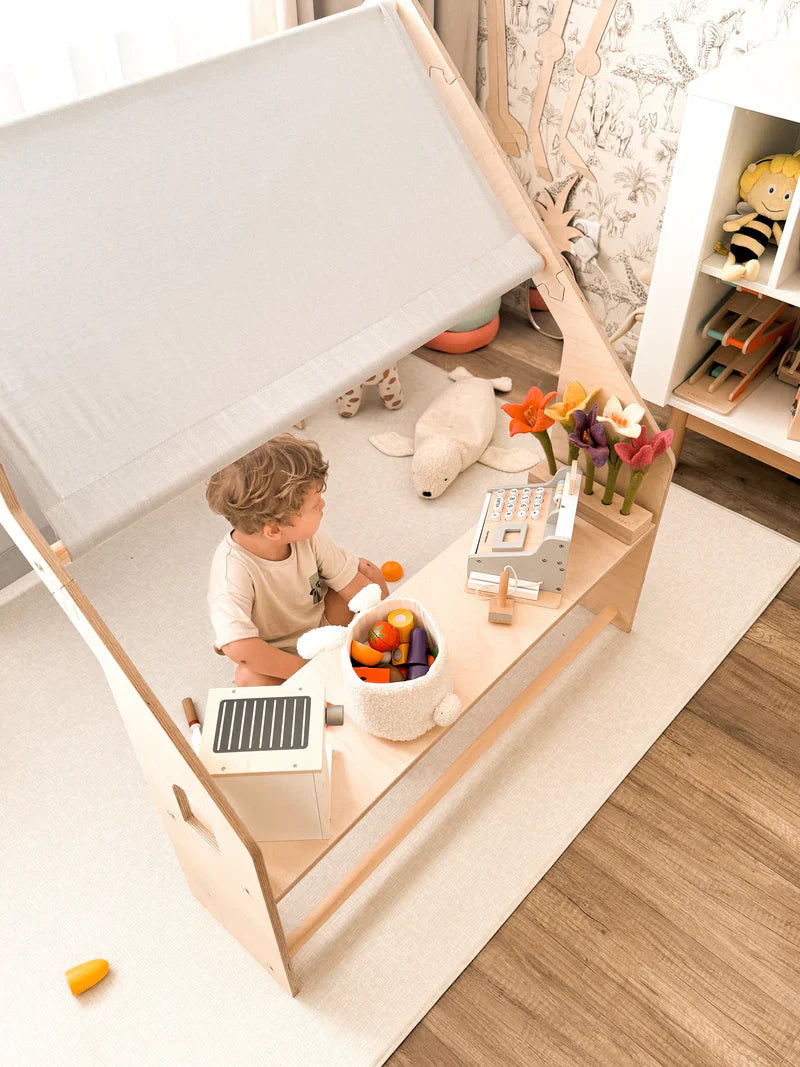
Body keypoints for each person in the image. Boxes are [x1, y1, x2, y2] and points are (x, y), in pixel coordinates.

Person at [206, 433, 388, 687]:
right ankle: (321, 676)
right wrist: (307, 672)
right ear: (274, 530)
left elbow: (351, 583)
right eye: (314, 505)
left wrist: (386, 635)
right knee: (248, 678)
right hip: (278, 655)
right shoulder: (232, 572)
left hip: (323, 625)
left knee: (369, 575)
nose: (323, 504)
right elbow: (240, 648)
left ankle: (355, 652)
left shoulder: (309, 538)